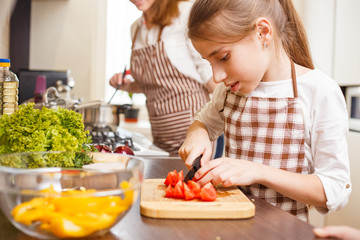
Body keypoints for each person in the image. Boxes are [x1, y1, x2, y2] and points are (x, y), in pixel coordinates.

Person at [178, 0, 351, 222]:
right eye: (209, 62)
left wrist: (257, 171)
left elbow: (335, 189)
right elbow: (204, 120)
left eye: (223, 57)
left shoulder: (320, 91)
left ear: (263, 32)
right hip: (231, 228)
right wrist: (197, 133)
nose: (216, 76)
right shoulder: (228, 91)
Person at [109, 0, 216, 156]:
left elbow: (208, 69)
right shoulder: (136, 29)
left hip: (193, 128)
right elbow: (155, 85)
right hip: (160, 134)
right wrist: (128, 86)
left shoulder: (185, 13)